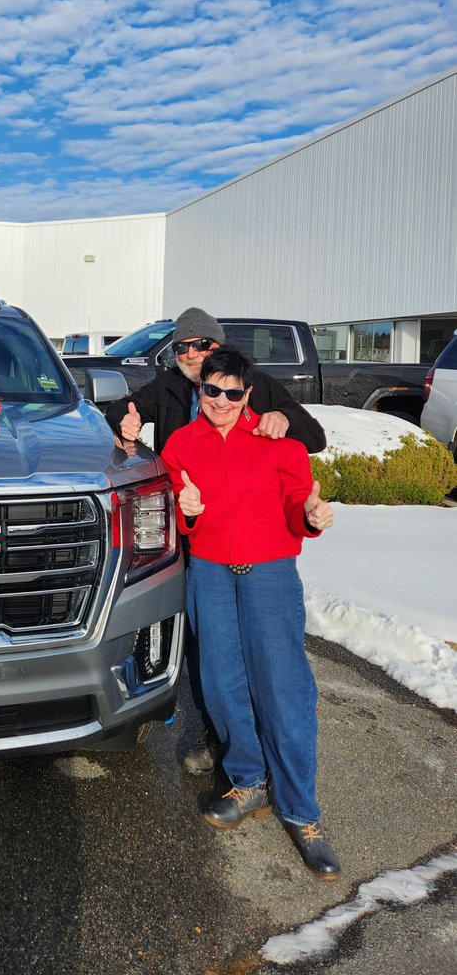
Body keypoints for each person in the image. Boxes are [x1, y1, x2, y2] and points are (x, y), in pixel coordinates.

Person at [105, 308, 327, 775]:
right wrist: (124, 423)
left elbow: (314, 437)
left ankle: (270, 750)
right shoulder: (166, 387)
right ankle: (218, 734)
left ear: (219, 349)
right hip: (191, 537)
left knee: (265, 654)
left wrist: (282, 418)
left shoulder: (255, 385)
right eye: (182, 346)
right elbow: (121, 412)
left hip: (250, 542)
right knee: (208, 649)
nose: (191, 354)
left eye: (201, 344)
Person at [160, 345, 340, 880]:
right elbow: (171, 506)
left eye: (232, 392)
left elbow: (295, 501)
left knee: (283, 686)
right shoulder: (179, 444)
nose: (220, 400)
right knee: (219, 681)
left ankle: (302, 813)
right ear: (201, 389)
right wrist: (183, 510)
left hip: (270, 573)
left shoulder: (277, 442)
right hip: (210, 573)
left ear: (247, 394)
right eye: (211, 389)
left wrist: (309, 512)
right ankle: (248, 778)